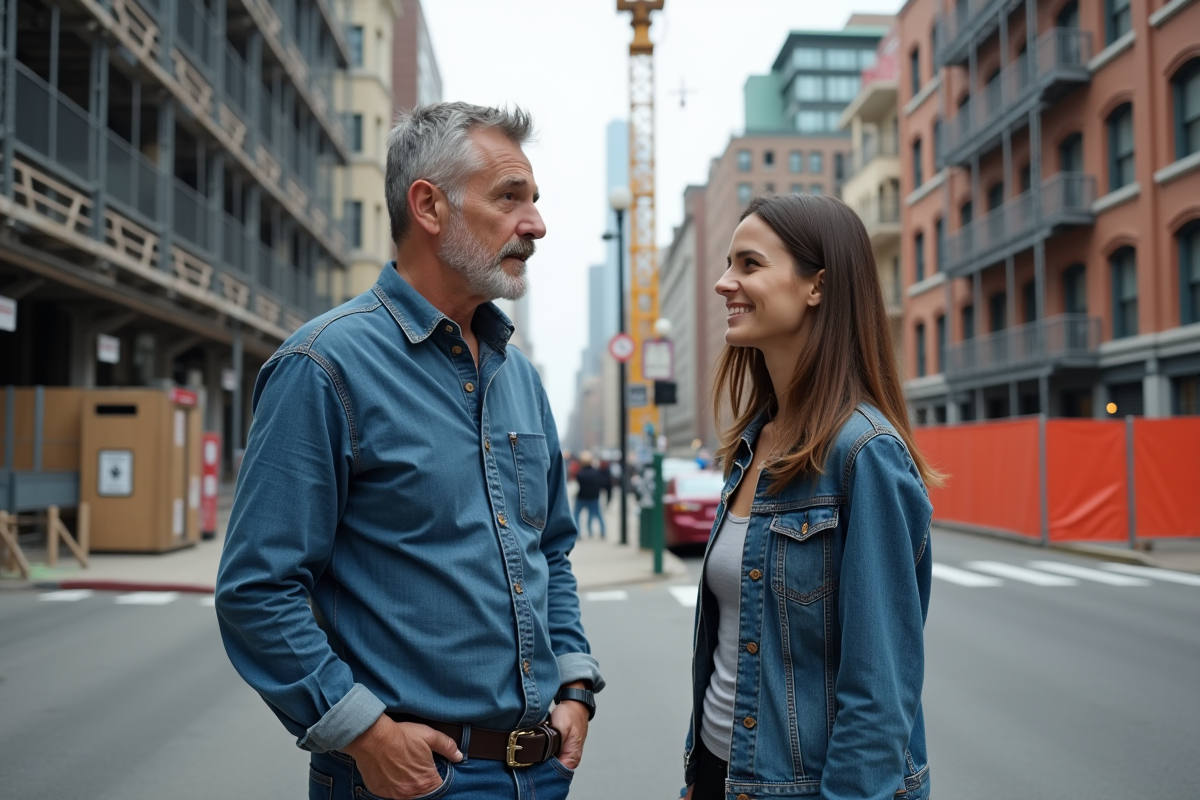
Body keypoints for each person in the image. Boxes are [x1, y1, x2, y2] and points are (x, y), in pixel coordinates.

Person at [216, 103, 601, 800]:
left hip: (543, 776)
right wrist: (363, 733)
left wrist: (574, 682)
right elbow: (258, 590)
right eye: (510, 197)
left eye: (535, 202)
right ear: (428, 205)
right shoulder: (323, 366)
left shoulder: (522, 378)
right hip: (412, 781)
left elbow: (550, 551)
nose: (536, 224)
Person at [683, 194, 941, 800]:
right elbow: (734, 650)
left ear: (816, 286)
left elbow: (879, 696)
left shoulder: (864, 453)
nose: (725, 283)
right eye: (727, 264)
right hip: (724, 777)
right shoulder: (751, 444)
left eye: (749, 264)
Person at [572, 452, 606, 539]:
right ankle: (603, 531)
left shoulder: (580, 473)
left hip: (582, 497)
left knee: (576, 515)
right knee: (598, 514)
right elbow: (601, 483)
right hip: (594, 497)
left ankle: (578, 533)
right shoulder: (596, 472)